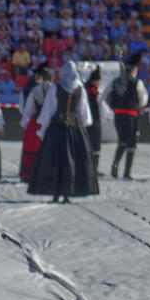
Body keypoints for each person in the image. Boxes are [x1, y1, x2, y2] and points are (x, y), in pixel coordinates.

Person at [27, 60, 98, 203]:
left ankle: (55, 192)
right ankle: (68, 192)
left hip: (57, 128)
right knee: (73, 160)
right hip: (74, 127)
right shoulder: (80, 89)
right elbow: (85, 116)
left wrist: (42, 130)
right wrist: (80, 126)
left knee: (55, 159)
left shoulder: (55, 88)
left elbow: (48, 110)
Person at [107, 55, 150, 179]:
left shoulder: (115, 82)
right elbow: (143, 100)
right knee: (131, 143)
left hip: (118, 114)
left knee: (122, 141)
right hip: (131, 115)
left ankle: (115, 165)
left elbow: (106, 96)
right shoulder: (137, 83)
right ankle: (127, 171)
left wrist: (113, 106)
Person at [18, 64, 54, 182]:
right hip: (51, 122)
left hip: (36, 122)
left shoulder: (35, 90)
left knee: (32, 148)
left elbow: (28, 109)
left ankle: (30, 174)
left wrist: (25, 123)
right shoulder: (55, 90)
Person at [84, 68, 108, 178]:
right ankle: (93, 169)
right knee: (95, 147)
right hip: (95, 122)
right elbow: (102, 110)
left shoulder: (83, 90)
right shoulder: (96, 93)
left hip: (84, 123)